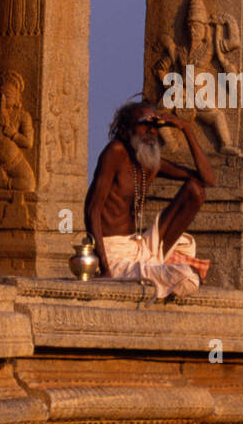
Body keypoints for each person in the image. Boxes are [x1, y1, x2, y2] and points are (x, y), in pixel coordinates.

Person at [83, 100, 214, 301]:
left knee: (195, 191)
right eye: (145, 124)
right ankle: (159, 270)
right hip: (114, 253)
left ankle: (158, 267)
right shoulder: (115, 151)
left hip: (142, 246)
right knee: (188, 277)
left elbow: (207, 180)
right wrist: (104, 268)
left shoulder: (150, 162)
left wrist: (186, 129)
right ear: (125, 131)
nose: (152, 131)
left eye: (155, 126)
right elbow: (92, 210)